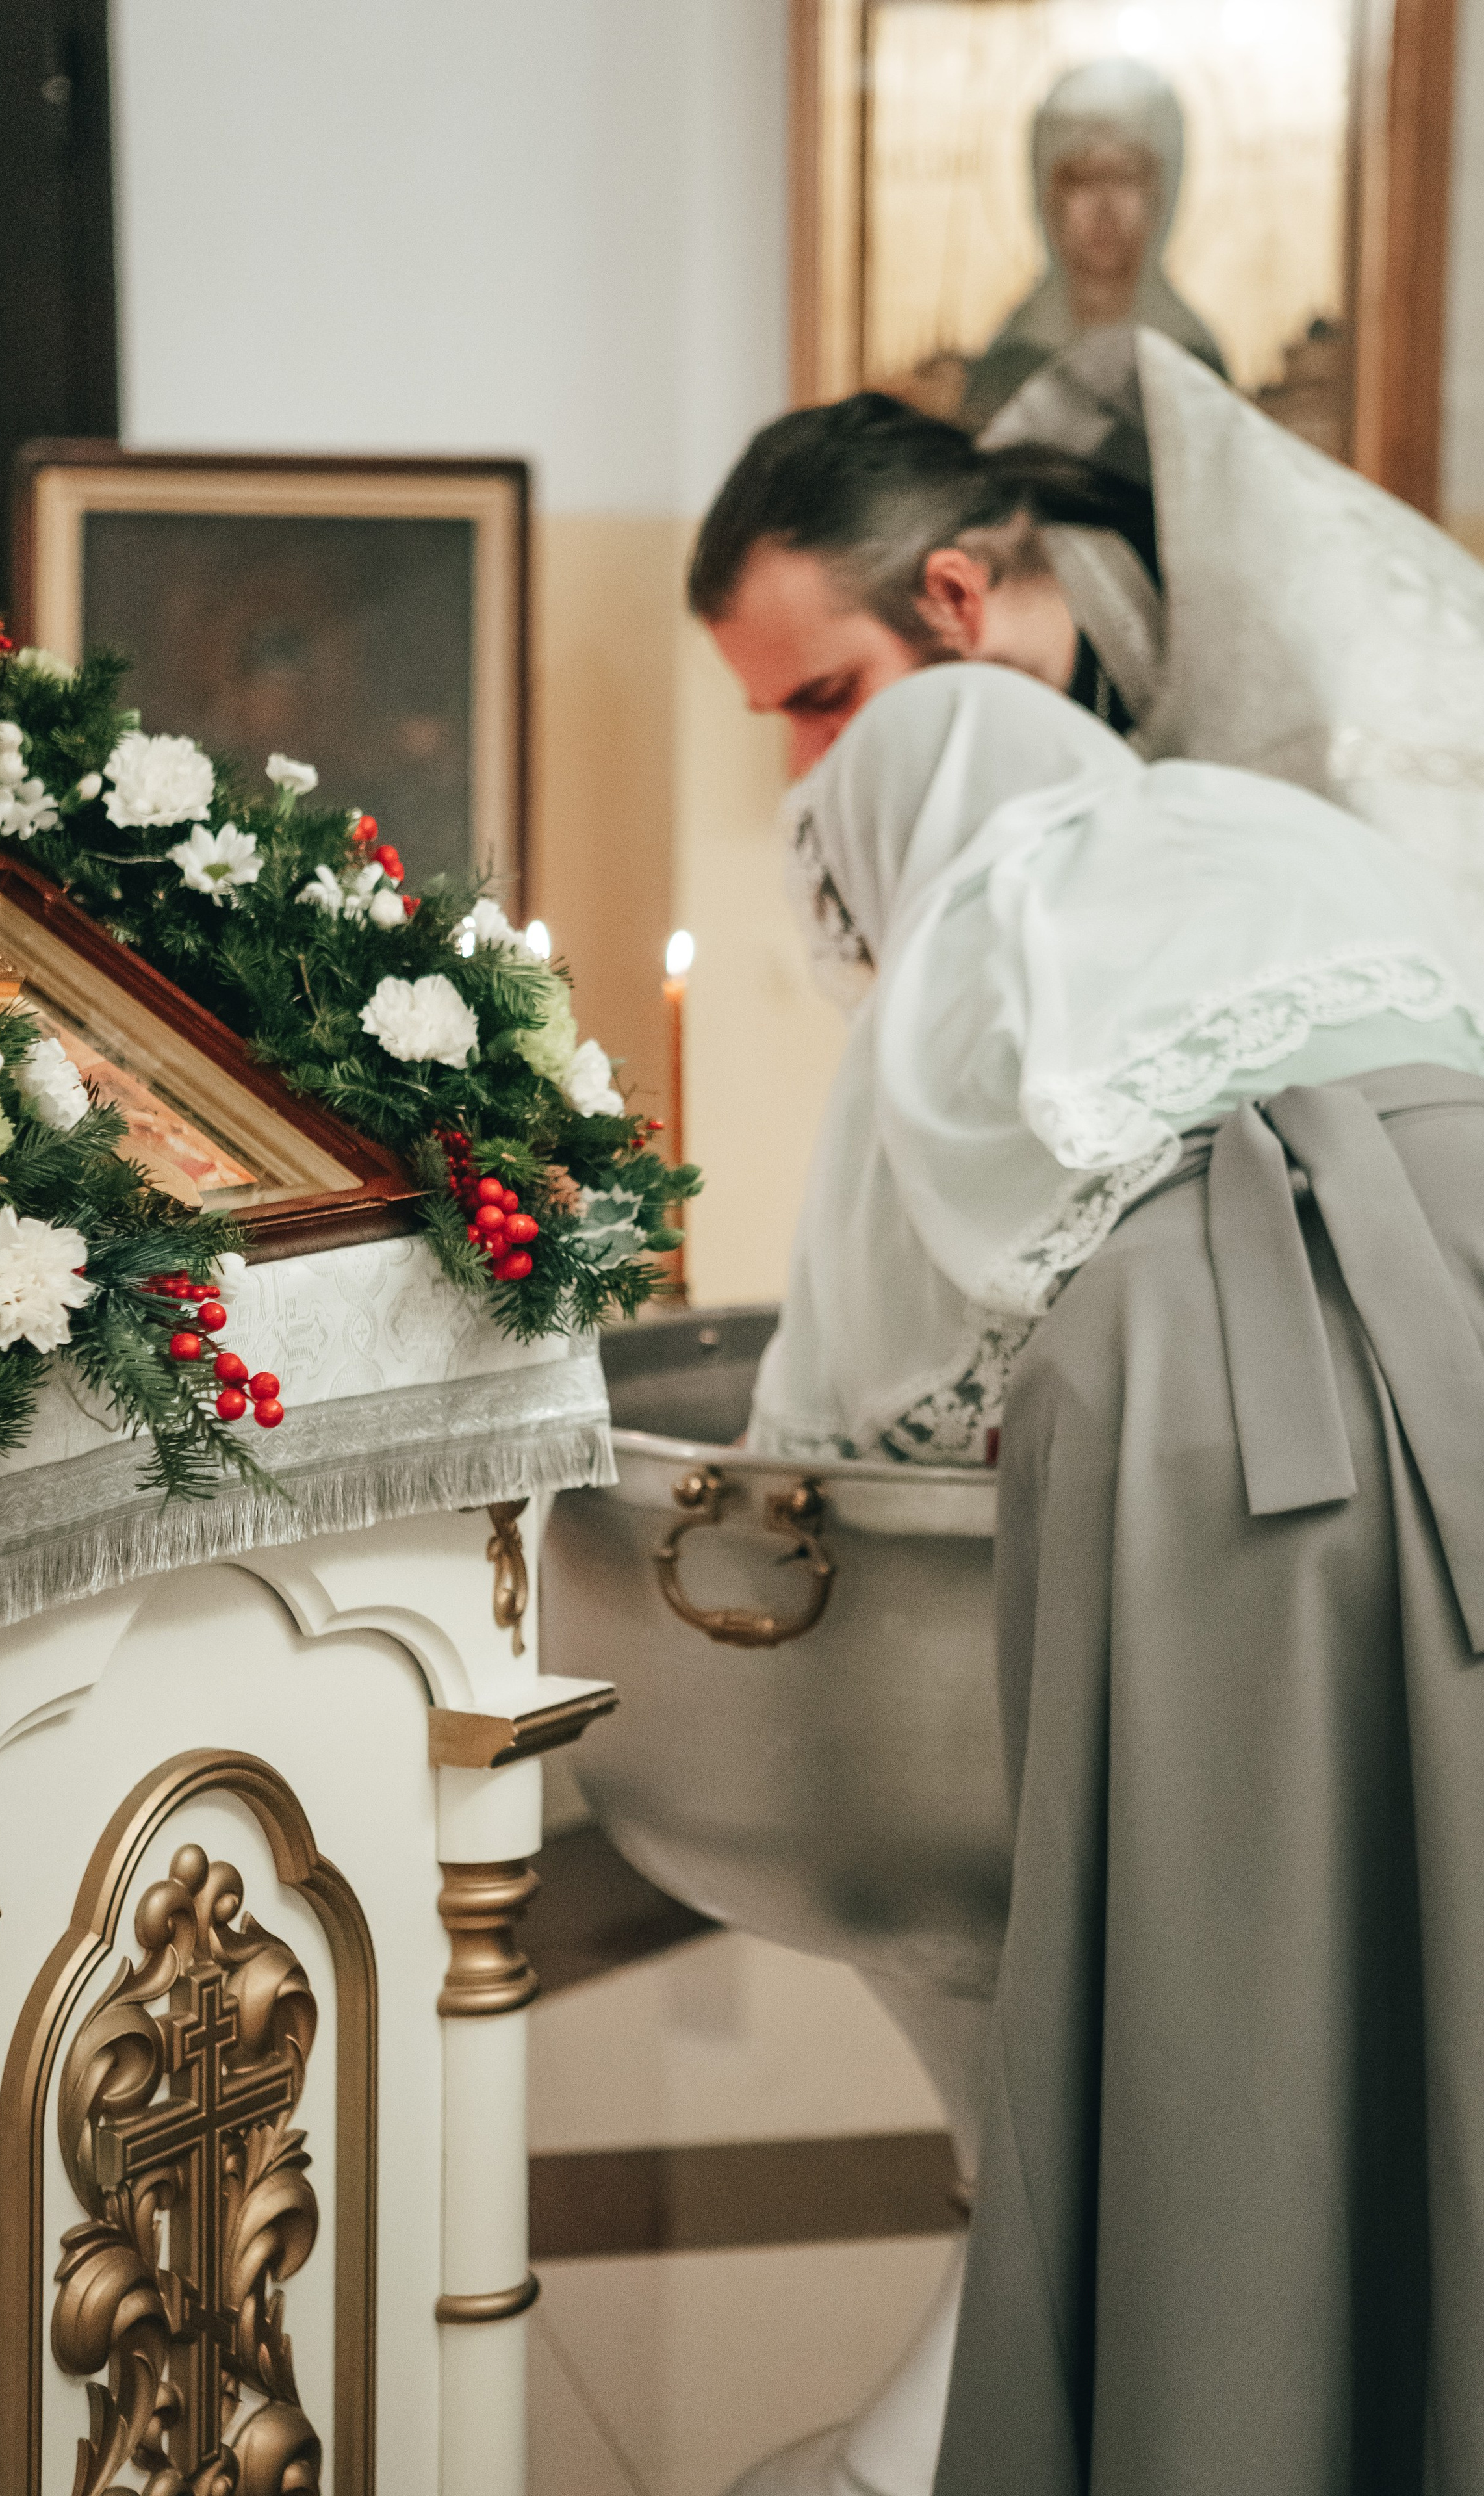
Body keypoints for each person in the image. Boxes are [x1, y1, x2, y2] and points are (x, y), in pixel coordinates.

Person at [745, 658, 1484, 2491]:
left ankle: (1252, 2418)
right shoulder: (1273, 821)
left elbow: (866, 1388)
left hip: (1197, 1391)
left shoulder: (971, 917)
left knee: (1236, 1953)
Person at [690, 326, 1484, 925]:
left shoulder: (1315, 668)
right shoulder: (975, 734)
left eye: (828, 696)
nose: (805, 765)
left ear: (955, 598)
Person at [960, 60, 1227, 431]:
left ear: (1160, 196)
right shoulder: (1010, 367)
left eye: (1126, 176)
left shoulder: (1191, 363)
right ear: (1048, 197)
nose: (1105, 208)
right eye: (1082, 179)